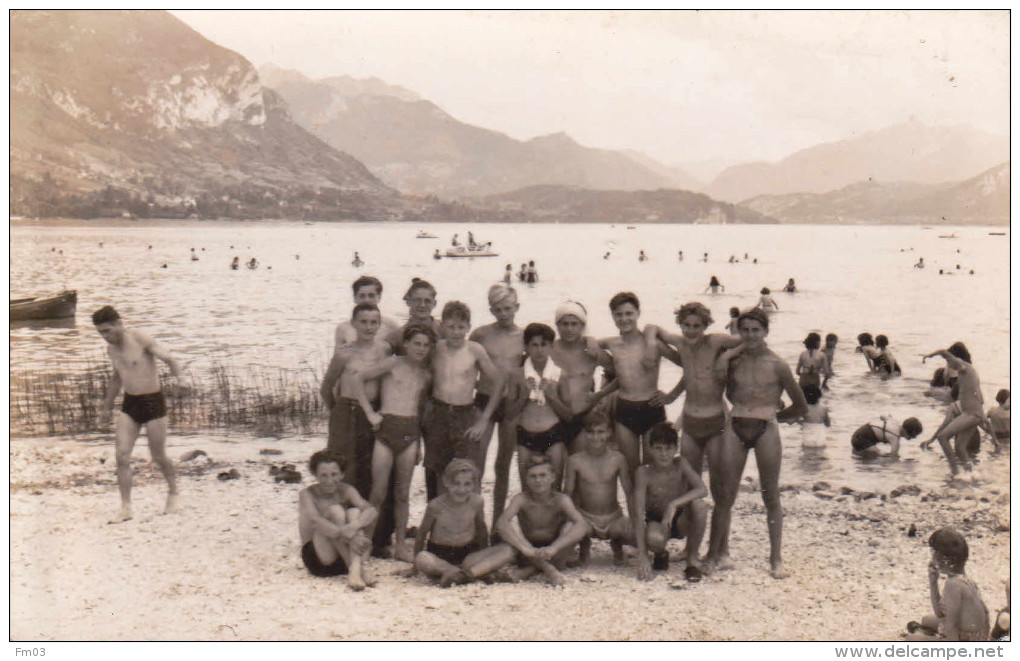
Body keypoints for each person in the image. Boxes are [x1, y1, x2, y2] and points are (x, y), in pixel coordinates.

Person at [708, 308, 807, 579]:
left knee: (770, 495)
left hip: (766, 427)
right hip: (736, 423)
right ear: (738, 331)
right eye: (745, 330)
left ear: (766, 332)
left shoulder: (777, 364)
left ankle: (776, 559)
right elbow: (715, 384)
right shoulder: (732, 361)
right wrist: (727, 354)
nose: (750, 335)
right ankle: (720, 552)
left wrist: (776, 417)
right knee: (725, 495)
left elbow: (801, 405)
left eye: (756, 330)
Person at [351, 324, 436, 562]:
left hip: (409, 433)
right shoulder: (393, 363)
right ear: (406, 344)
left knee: (402, 493)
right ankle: (367, 544)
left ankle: (400, 545)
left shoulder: (426, 374)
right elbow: (358, 378)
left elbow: (421, 411)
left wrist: (418, 443)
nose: (421, 349)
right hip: (387, 428)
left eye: (426, 345)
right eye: (416, 344)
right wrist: (370, 413)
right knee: (377, 492)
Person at [93, 306, 183, 524]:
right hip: (130, 403)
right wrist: (106, 407)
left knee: (158, 455)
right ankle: (126, 508)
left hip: (153, 402)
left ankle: (173, 492)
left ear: (118, 324)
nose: (105, 337)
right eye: (100, 333)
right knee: (121, 456)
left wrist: (182, 380)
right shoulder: (112, 350)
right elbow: (116, 379)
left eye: (107, 331)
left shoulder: (140, 338)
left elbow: (169, 359)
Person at [319, 303, 392, 552]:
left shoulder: (384, 350)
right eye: (364, 322)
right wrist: (337, 413)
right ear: (353, 324)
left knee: (371, 473)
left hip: (372, 412)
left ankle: (372, 537)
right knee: (343, 471)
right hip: (346, 413)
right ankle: (339, 534)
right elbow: (326, 387)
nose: (369, 327)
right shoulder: (344, 354)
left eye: (374, 322)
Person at [421, 301, 504, 500]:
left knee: (466, 470)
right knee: (437, 469)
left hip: (465, 414)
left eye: (461, 327)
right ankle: (439, 525)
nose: (456, 332)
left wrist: (484, 420)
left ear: (468, 327)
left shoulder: (474, 350)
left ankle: (470, 526)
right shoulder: (436, 349)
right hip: (438, 413)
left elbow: (499, 383)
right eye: (451, 327)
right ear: (442, 327)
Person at [646, 301, 740, 476]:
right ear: (680, 324)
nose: (691, 330)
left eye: (697, 326)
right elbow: (651, 327)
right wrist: (671, 396)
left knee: (718, 477)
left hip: (715, 421)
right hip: (689, 422)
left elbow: (748, 339)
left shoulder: (715, 341)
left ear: (706, 326)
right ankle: (692, 504)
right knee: (689, 477)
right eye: (686, 325)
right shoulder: (680, 343)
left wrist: (726, 356)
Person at [471, 454, 590, 586]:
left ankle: (530, 570)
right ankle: (550, 569)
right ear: (526, 480)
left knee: (571, 524)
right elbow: (501, 523)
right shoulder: (522, 499)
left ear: (552, 478)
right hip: (528, 548)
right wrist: (525, 548)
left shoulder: (561, 500)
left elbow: (582, 525)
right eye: (533, 476)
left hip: (554, 548)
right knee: (509, 524)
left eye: (542, 475)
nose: (538, 480)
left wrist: (554, 547)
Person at [598, 292, 680, 475]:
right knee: (630, 470)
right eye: (618, 314)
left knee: (653, 470)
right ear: (612, 316)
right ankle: (635, 505)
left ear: (638, 313)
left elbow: (689, 364)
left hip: (652, 407)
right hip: (624, 409)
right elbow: (585, 346)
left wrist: (672, 396)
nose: (624, 319)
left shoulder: (654, 344)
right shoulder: (611, 344)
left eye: (629, 313)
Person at [633, 423, 708, 581]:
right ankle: (660, 554)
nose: (664, 454)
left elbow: (702, 489)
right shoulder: (644, 472)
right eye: (659, 448)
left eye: (668, 449)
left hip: (679, 518)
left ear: (675, 449)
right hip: (658, 521)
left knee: (700, 505)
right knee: (655, 540)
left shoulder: (680, 464)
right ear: (650, 449)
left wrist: (673, 504)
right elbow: (638, 514)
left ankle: (692, 561)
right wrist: (643, 556)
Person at [469, 284, 524, 492]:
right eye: (498, 309)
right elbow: (467, 365)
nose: (503, 314)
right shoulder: (481, 334)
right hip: (483, 399)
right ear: (491, 310)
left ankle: (498, 519)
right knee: (477, 462)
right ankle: (476, 519)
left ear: (516, 307)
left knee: (503, 464)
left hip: (510, 404)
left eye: (507, 308)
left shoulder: (524, 337)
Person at [562, 410, 634, 566]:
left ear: (609, 432)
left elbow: (629, 492)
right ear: (585, 433)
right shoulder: (575, 460)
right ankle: (584, 544)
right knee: (564, 541)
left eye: (601, 432)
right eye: (591, 432)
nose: (596, 437)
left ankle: (617, 543)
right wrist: (571, 523)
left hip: (613, 517)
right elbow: (567, 495)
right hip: (585, 518)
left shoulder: (618, 459)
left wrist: (633, 521)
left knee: (646, 539)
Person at [298, 450, 378, 591]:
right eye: (323, 475)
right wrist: (351, 537)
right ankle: (357, 569)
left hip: (342, 556)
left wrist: (355, 526)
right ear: (315, 475)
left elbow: (371, 511)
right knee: (336, 511)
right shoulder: (307, 494)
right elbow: (316, 521)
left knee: (355, 512)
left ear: (342, 474)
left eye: (334, 475)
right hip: (320, 559)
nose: (329, 481)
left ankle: (354, 570)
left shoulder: (347, 490)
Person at [505, 323, 571, 486]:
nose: (539, 350)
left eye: (544, 345)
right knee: (527, 487)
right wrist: (523, 397)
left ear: (551, 346)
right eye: (534, 345)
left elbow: (568, 416)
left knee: (554, 486)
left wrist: (552, 398)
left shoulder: (560, 375)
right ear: (526, 347)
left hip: (553, 433)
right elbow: (508, 414)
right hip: (526, 434)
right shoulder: (517, 375)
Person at [412, 459, 491, 587]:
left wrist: (484, 555)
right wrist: (414, 568)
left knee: (506, 550)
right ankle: (458, 572)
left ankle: (460, 573)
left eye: (467, 484)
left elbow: (482, 529)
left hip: (467, 554)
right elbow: (421, 535)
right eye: (456, 483)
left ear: (474, 485)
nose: (461, 489)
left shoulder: (476, 502)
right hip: (440, 555)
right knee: (422, 558)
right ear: (446, 482)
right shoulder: (436, 506)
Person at [551, 300, 613, 455]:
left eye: (574, 324)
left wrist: (601, 394)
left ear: (582, 326)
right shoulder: (549, 350)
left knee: (579, 470)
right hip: (553, 418)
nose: (569, 329)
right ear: (557, 326)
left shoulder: (591, 351)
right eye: (564, 324)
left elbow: (621, 372)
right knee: (553, 474)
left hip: (582, 417)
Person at [906, 528, 990, 642]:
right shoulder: (964, 579)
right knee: (926, 620)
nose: (932, 559)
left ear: (944, 560)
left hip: (967, 641)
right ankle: (925, 632)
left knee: (911, 639)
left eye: (933, 554)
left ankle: (922, 633)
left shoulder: (953, 585)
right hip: (976, 634)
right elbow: (940, 614)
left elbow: (951, 627)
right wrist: (933, 582)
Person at [921, 343, 991, 477]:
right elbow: (980, 398)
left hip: (970, 414)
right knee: (959, 448)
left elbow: (943, 351)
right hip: (974, 415)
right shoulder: (970, 371)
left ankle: (955, 472)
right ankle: (972, 475)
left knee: (942, 437)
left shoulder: (961, 365)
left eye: (948, 362)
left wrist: (929, 356)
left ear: (955, 358)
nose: (948, 364)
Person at [921, 383, 989, 463]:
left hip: (961, 438)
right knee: (974, 460)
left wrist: (931, 440)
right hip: (975, 438)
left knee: (961, 461)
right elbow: (983, 425)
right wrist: (995, 440)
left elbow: (944, 425)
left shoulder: (953, 406)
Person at [335, 276, 401, 352]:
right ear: (355, 298)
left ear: (379, 297)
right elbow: (337, 359)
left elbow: (402, 357)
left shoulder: (390, 326)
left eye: (371, 295)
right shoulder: (343, 328)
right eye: (362, 296)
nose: (366, 300)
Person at [385, 278, 444, 353]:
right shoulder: (396, 336)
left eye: (427, 301)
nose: (422, 305)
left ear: (434, 304)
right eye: (417, 300)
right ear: (408, 302)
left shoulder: (443, 330)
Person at [851, 416, 922, 457]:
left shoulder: (894, 422)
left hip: (858, 434)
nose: (914, 438)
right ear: (910, 432)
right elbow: (894, 456)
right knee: (877, 456)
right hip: (861, 439)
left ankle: (857, 452)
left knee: (877, 453)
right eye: (915, 436)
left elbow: (882, 416)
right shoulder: (895, 437)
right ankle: (859, 454)